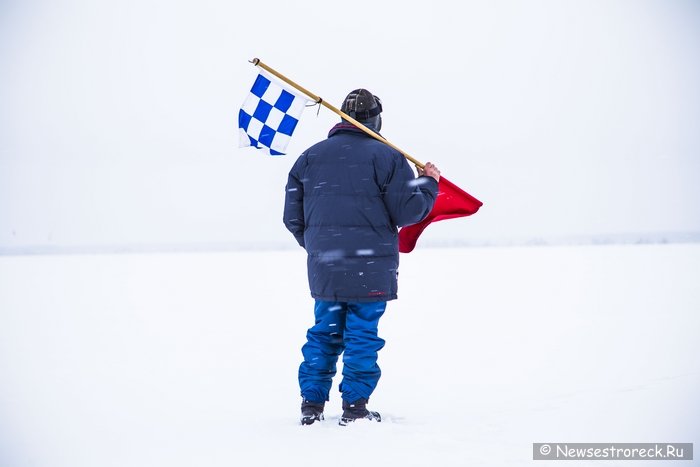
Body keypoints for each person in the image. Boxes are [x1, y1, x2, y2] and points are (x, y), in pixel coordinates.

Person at [283, 88, 441, 426]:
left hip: (326, 267)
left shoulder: (309, 158)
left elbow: (293, 219)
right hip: (371, 267)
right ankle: (355, 408)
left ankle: (311, 405)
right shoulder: (388, 158)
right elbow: (410, 210)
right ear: (375, 120)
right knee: (362, 335)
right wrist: (428, 182)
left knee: (324, 332)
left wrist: (319, 246)